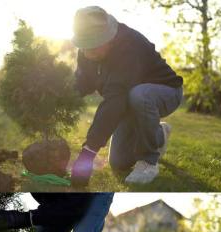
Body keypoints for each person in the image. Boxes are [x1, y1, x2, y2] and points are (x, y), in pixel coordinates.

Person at [69, 6, 183, 186]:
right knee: (118, 163)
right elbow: (82, 82)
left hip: (165, 92)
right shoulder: (86, 51)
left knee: (139, 94)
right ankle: (159, 133)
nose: (88, 52)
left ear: (109, 37)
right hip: (128, 101)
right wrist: (59, 98)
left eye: (94, 45)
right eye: (84, 45)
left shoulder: (130, 45)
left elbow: (115, 99)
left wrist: (88, 153)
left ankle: (148, 162)